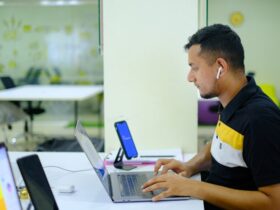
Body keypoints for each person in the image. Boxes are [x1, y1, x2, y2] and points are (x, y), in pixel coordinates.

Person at [141, 24, 280, 210]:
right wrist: (189, 167)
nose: (190, 77)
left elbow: (274, 202)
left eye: (195, 68)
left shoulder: (260, 119)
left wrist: (195, 187)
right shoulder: (232, 101)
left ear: (220, 67)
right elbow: (221, 145)